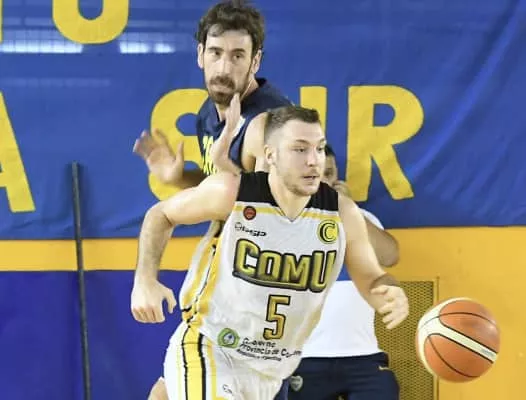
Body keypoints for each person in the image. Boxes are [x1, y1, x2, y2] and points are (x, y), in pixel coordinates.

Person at [130, 106, 409, 400]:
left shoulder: (341, 212)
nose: (313, 160)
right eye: (299, 149)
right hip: (212, 347)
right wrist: (145, 280)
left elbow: (371, 277)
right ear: (271, 154)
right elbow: (161, 214)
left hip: (270, 372)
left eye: (319, 148)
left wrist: (389, 291)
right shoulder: (233, 193)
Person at [133, 0, 291, 190]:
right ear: (201, 54)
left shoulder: (272, 124)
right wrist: (178, 178)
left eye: (237, 56)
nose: (223, 69)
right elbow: (218, 186)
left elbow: (272, 204)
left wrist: (223, 162)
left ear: (255, 62)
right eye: (215, 53)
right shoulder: (207, 113)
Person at [286, 144, 401, 400]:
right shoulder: (282, 222)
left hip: (363, 357)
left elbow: (390, 256)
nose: (322, 181)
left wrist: (349, 210)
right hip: (303, 358)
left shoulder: (361, 218)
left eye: (328, 173)